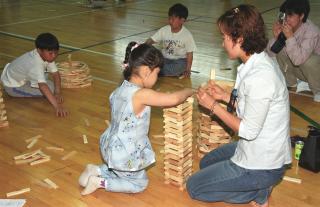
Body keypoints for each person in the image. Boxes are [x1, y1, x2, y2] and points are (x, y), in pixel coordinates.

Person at [186, 5, 292, 207]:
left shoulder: (260, 77)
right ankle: (255, 185)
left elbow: (249, 130)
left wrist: (213, 106)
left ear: (240, 39)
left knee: (194, 187)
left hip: (263, 163)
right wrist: (225, 96)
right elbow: (251, 104)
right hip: (258, 147)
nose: (222, 42)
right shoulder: (256, 61)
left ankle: (258, 192)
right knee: (206, 163)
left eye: (225, 37)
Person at [79, 42, 193, 195]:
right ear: (146, 71)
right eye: (157, 74)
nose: (157, 78)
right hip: (125, 153)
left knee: (123, 170)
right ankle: (100, 181)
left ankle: (96, 169)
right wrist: (188, 90)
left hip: (110, 146)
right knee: (140, 183)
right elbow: (172, 99)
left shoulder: (120, 89)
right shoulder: (142, 95)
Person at [0, 33, 68, 117]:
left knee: (49, 83)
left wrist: (58, 93)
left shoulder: (45, 56)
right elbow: (43, 86)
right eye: (50, 53)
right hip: (12, 86)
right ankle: (13, 92)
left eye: (56, 52)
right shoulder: (35, 63)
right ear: (39, 50)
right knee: (49, 87)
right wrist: (57, 106)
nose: (54, 56)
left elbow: (55, 74)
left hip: (17, 75)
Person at [266, 0, 320, 102]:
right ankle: (292, 82)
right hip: (302, 72)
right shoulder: (288, 28)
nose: (286, 19)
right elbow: (271, 54)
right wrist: (277, 38)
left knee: (309, 61)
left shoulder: (312, 31)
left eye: (290, 16)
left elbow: (298, 60)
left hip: (317, 72)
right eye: (284, 16)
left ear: (301, 16)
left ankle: (318, 90)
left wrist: (290, 38)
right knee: (281, 48)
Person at [145, 3, 196, 78]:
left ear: (182, 20)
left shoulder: (187, 35)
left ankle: (157, 71)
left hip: (179, 60)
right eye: (169, 18)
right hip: (164, 58)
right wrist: (144, 46)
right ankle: (159, 70)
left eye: (173, 19)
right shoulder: (164, 29)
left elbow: (190, 54)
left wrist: (188, 69)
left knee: (181, 66)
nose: (170, 21)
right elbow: (151, 40)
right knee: (152, 52)